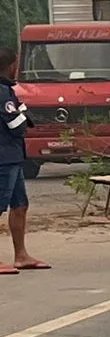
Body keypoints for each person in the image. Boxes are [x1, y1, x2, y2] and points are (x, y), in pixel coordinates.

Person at [0, 46, 47, 275]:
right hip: (3, 157)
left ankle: (21, 255)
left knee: (20, 205)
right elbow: (15, 125)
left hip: (13, 156)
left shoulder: (7, 90)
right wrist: (24, 114)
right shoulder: (2, 91)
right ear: (11, 65)